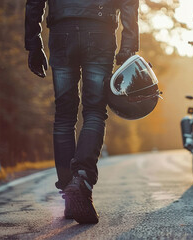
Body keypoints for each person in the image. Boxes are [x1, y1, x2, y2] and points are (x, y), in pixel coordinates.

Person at [25, 0, 139, 224]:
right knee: (95, 111)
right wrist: (129, 45)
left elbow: (34, 2)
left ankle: (69, 192)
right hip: (100, 30)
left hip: (61, 30)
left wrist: (33, 43)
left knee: (64, 116)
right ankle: (82, 179)